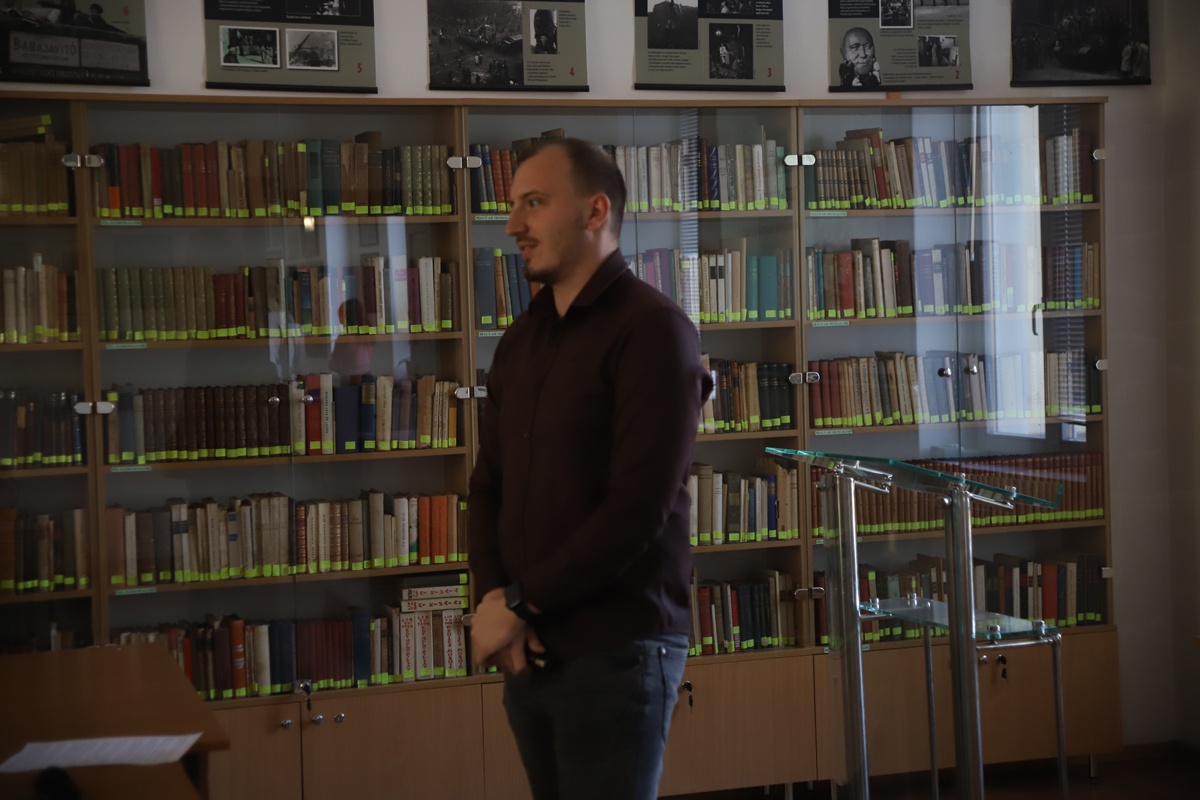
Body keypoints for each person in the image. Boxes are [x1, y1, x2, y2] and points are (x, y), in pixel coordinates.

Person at [467, 138, 712, 800]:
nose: (513, 226)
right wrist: (495, 602)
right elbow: (488, 486)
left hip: (617, 650)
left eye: (534, 203)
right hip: (530, 646)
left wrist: (519, 603)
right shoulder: (521, 339)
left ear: (596, 211)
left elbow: (638, 508)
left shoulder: (654, 330)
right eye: (513, 205)